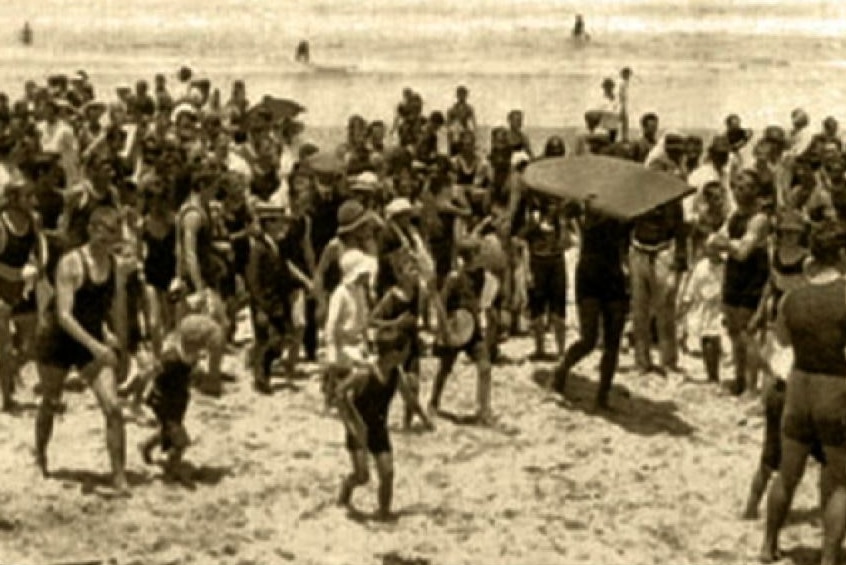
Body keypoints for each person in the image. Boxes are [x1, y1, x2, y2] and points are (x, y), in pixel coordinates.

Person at [760, 220, 846, 565]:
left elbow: (778, 348)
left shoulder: (793, 298)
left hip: (798, 387)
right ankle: (828, 557)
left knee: (787, 474)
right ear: (841, 254)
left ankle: (768, 545)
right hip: (835, 390)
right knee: (841, 482)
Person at [34, 206, 130, 494]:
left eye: (113, 236)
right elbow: (64, 315)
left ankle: (118, 475)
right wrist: (97, 346)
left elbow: (105, 309)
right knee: (50, 401)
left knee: (113, 408)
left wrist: (113, 339)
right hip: (59, 340)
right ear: (91, 230)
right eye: (104, 235)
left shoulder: (114, 266)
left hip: (91, 341)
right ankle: (40, 455)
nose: (108, 242)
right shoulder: (70, 263)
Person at [551, 199, 630, 410]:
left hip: (613, 276)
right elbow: (566, 214)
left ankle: (603, 394)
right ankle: (562, 369)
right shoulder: (587, 206)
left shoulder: (623, 210)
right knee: (589, 338)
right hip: (590, 275)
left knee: (613, 342)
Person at [707, 169, 770, 396]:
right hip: (734, 274)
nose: (740, 191)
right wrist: (728, 244)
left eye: (746, 187)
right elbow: (712, 242)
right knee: (734, 330)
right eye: (738, 187)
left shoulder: (759, 219)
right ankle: (739, 379)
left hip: (752, 277)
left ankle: (751, 387)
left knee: (748, 332)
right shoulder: (735, 216)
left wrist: (725, 244)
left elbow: (744, 251)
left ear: (756, 190)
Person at [139, 314, 222, 483]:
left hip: (176, 402)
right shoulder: (171, 358)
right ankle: (172, 469)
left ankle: (146, 446)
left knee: (167, 430)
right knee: (181, 442)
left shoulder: (189, 357)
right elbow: (151, 373)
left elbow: (191, 373)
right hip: (164, 403)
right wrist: (138, 391)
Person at [428, 238, 495, 425]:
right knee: (445, 369)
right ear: (472, 256)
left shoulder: (483, 276)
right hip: (455, 329)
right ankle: (433, 402)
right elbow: (440, 304)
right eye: (479, 252)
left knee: (485, 367)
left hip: (473, 330)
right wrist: (445, 331)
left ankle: (484, 410)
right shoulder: (455, 279)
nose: (483, 255)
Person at [0, 182, 41, 412]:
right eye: (28, 195)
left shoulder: (33, 221)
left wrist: (38, 265)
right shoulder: (2, 224)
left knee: (30, 347)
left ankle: (8, 371)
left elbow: (37, 247)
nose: (32, 199)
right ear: (14, 198)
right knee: (4, 348)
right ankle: (7, 399)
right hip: (2, 288)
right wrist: (17, 273)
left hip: (24, 287)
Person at [446, 86, 477, 156]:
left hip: (464, 133)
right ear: (457, 95)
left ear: (466, 96)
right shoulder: (452, 109)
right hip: (454, 134)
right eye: (459, 94)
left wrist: (472, 133)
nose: (461, 96)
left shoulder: (469, 109)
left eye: (463, 94)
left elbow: (473, 122)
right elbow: (448, 123)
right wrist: (450, 131)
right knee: (453, 152)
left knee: (465, 152)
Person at [619, 68, 633, 142]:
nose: (629, 76)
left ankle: (624, 137)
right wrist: (622, 106)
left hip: (623, 104)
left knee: (624, 121)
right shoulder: (623, 83)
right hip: (622, 105)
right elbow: (621, 96)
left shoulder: (624, 83)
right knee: (624, 121)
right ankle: (624, 138)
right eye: (628, 74)